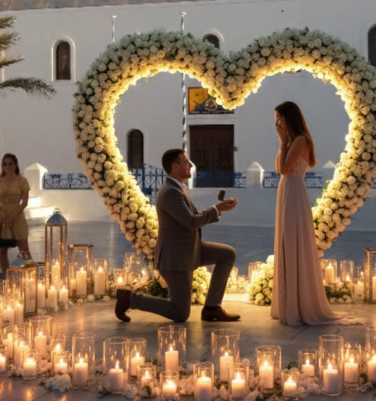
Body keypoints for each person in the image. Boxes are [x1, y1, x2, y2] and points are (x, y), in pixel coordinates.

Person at [115, 148, 240, 323]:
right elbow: (190, 222)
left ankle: (212, 307)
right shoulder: (170, 193)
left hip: (190, 250)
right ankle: (130, 299)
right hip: (175, 259)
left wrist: (217, 208)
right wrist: (217, 209)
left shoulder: (177, 188)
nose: (190, 165)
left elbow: (191, 219)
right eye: (186, 162)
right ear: (175, 167)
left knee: (228, 254)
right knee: (180, 313)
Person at [270, 101, 337, 325]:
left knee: (293, 241)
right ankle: (288, 304)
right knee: (285, 242)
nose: (277, 123)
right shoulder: (290, 141)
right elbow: (279, 167)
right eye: (276, 119)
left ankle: (299, 305)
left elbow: (284, 168)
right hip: (286, 190)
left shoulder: (300, 140)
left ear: (290, 118)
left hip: (294, 191)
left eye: (280, 118)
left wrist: (282, 142)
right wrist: (282, 143)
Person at [0, 153, 31, 274]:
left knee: (24, 249)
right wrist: (1, 214)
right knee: (2, 249)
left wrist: (13, 215)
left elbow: (24, 202)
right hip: (2, 218)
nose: (7, 167)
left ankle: (30, 275)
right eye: (4, 164)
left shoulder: (22, 181)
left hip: (17, 216)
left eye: (10, 164)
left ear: (15, 165)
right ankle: (6, 276)